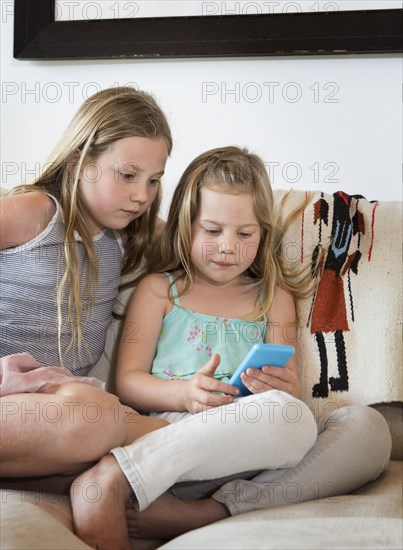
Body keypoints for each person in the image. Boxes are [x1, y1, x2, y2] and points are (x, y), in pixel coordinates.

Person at [0, 91, 318, 549]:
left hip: (51, 415)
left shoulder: (126, 235)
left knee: (124, 426)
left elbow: (205, 235)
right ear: (78, 161)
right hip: (20, 396)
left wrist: (226, 234)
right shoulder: (38, 212)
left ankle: (118, 480)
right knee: (97, 418)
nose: (141, 195)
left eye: (153, 181)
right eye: (128, 175)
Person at [113, 146, 392, 542]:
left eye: (245, 234)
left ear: (263, 234)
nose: (228, 246)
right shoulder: (159, 291)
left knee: (369, 428)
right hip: (182, 442)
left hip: (261, 448)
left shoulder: (273, 298)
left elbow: (288, 396)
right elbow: (128, 382)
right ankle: (181, 494)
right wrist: (185, 394)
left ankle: (218, 509)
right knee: (285, 422)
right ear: (184, 226)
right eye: (212, 231)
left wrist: (284, 388)